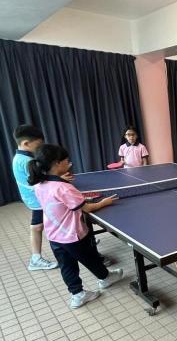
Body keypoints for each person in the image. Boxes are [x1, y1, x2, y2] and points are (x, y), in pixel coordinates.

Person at [28, 144, 124, 309]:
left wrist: (61, 180)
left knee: (67, 266)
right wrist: (104, 202)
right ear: (57, 163)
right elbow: (87, 208)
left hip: (54, 236)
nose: (69, 163)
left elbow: (56, 195)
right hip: (73, 235)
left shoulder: (39, 184)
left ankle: (77, 295)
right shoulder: (64, 188)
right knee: (91, 258)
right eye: (67, 160)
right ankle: (105, 278)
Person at [11, 125, 60, 271]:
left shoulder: (19, 157)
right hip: (37, 199)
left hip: (33, 198)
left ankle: (36, 258)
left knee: (38, 225)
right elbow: (39, 181)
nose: (40, 148)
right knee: (38, 226)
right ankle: (36, 259)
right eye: (38, 145)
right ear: (26, 143)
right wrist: (59, 179)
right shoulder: (26, 161)